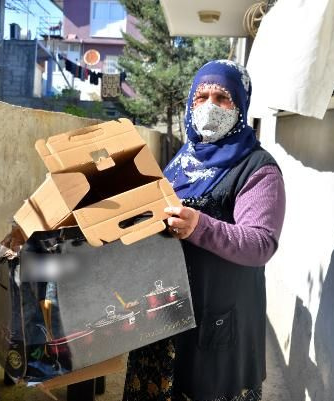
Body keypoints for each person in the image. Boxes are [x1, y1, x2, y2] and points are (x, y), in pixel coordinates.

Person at [122, 60, 286, 401]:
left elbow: (261, 243)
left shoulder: (258, 168)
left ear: (240, 106)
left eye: (222, 97)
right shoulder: (183, 159)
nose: (209, 106)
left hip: (216, 320)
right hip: (163, 316)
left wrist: (201, 225)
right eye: (201, 97)